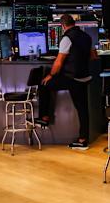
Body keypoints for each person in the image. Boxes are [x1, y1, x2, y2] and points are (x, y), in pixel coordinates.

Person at [38, 14, 96, 150]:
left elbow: (59, 62)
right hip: (84, 77)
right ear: (74, 23)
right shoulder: (86, 36)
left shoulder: (67, 38)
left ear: (63, 26)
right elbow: (94, 56)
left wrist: (50, 75)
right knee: (82, 109)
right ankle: (83, 140)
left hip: (72, 78)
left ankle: (44, 117)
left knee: (44, 84)